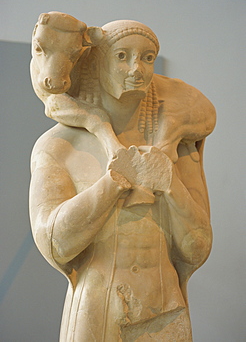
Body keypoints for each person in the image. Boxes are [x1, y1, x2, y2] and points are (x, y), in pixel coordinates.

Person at [29, 19, 216, 341]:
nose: (136, 69)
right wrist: (112, 182)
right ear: (98, 60)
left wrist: (169, 184)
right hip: (97, 307)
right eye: (121, 56)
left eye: (147, 57)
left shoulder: (177, 148)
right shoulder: (59, 145)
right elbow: (56, 244)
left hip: (165, 307)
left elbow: (196, 248)